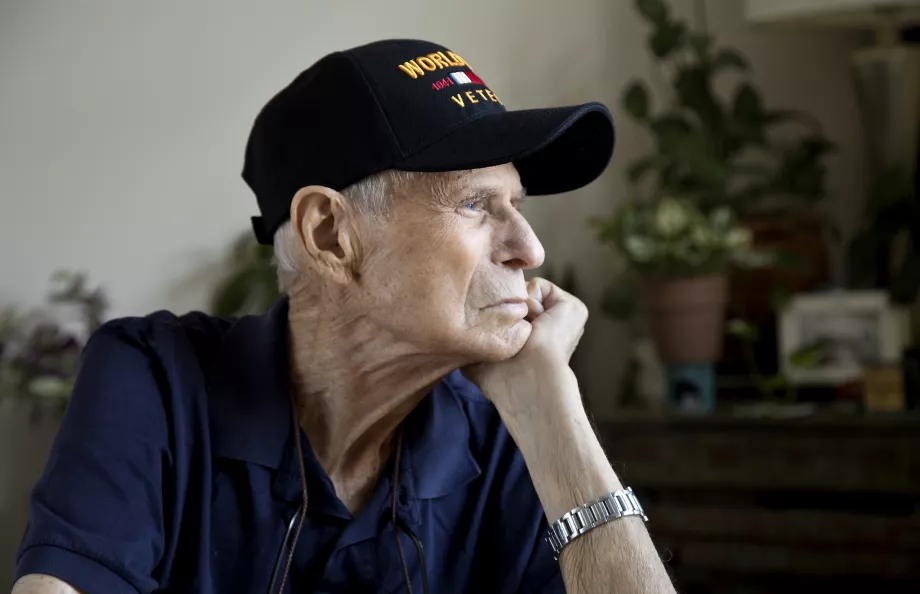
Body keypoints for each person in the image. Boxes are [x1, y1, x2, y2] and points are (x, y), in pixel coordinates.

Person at [11, 39, 674, 594]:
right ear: (330, 234)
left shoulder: (503, 437)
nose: (529, 248)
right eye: (475, 204)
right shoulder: (156, 381)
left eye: (516, 204)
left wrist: (554, 415)